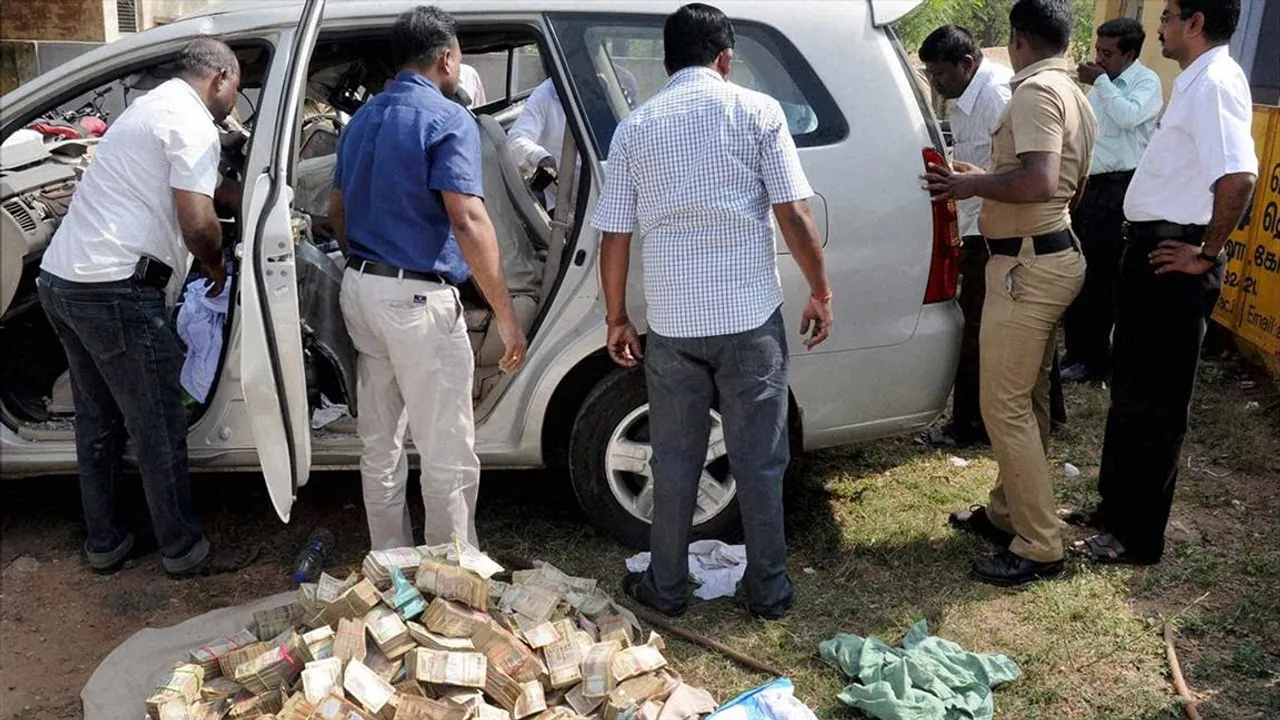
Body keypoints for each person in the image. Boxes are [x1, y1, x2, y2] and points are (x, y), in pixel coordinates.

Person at [593, 3, 833, 620]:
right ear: (725, 58)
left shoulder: (635, 128)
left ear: (668, 61)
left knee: (674, 461)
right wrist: (821, 289)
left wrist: (616, 316)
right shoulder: (757, 112)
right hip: (749, 318)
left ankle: (666, 588)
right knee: (760, 459)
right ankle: (768, 590)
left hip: (673, 326)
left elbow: (614, 236)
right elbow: (794, 214)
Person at [36, 38, 250, 577]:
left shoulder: (154, 106)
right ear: (220, 77)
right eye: (237, 88)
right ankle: (183, 549)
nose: (235, 101)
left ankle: (105, 543)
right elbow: (197, 222)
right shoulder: (194, 121)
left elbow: (195, 185)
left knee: (99, 419)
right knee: (157, 420)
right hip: (115, 292)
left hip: (65, 282)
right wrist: (218, 268)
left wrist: (244, 195)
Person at [332, 5, 528, 551]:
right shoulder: (448, 118)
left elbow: (338, 208)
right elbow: (467, 218)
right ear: (446, 58)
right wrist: (507, 317)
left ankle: (391, 567)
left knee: (382, 445)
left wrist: (370, 264)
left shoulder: (363, 119)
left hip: (362, 290)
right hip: (417, 299)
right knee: (447, 448)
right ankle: (450, 576)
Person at [1068, 0, 1256, 565]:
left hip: (1177, 257)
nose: (1160, 24)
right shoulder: (1196, 81)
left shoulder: (1217, 81)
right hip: (1150, 251)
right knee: (1131, 388)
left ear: (1196, 22)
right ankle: (1115, 509)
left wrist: (1207, 252)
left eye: (1169, 14)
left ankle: (1137, 534)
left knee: (1156, 401)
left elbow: (1239, 175)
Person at [924, 0, 1095, 586]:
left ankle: (1041, 543)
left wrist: (970, 183)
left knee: (1003, 405)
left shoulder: (1032, 93)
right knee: (1028, 400)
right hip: (1046, 254)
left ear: (1017, 38)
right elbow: (1072, 184)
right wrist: (988, 180)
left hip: (1028, 266)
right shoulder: (1069, 89)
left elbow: (1043, 180)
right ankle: (1008, 512)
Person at [917, 25, 1014, 448]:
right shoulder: (966, 95)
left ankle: (969, 427)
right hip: (977, 220)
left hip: (993, 226)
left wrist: (967, 183)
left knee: (977, 329)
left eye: (940, 74)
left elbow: (1013, 172)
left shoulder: (997, 98)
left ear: (967, 65)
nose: (936, 83)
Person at [1062, 18, 1163, 383]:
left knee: (1104, 274)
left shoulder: (1145, 83)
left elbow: (1127, 116)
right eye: (1097, 51)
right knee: (1079, 268)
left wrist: (1101, 82)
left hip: (1121, 188)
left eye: (1107, 53)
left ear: (1129, 54)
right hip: (1089, 185)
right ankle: (1077, 352)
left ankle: (1098, 359)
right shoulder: (1100, 86)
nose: (1099, 59)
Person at [507, 69, 639, 212]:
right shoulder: (547, 93)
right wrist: (541, 157)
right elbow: (516, 139)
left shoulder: (622, 82)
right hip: (559, 204)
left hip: (608, 197)